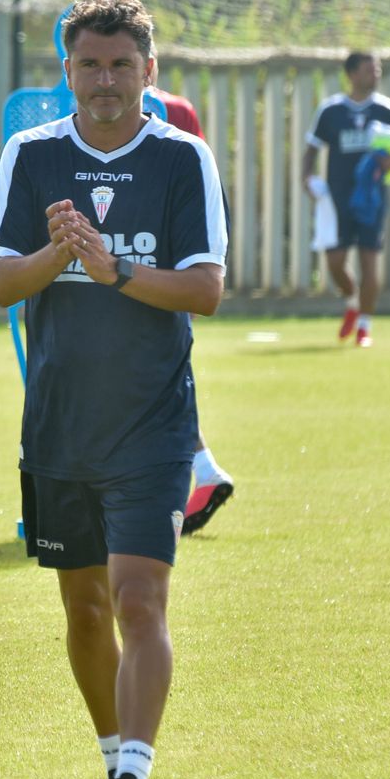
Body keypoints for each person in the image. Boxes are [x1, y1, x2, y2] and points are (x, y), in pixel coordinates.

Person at [0, 0, 228, 779]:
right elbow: (0, 283)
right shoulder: (31, 154)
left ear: (149, 72)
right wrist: (62, 251)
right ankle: (110, 754)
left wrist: (113, 269)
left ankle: (135, 773)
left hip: (152, 425)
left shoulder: (182, 158)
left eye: (123, 64)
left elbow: (204, 290)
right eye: (89, 64)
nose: (105, 80)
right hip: (57, 423)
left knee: (138, 601)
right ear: (67, 73)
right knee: (83, 609)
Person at [145, 78, 235, 536]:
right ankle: (202, 469)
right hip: (180, 264)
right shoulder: (180, 108)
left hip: (140, 269)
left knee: (153, 379)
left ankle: (198, 471)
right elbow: (204, 188)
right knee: (168, 369)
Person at [301, 52, 390, 348]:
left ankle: (364, 327)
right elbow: (311, 149)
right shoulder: (331, 110)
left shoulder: (388, 111)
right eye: (368, 69)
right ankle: (352, 301)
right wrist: (307, 178)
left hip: (372, 200)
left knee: (369, 262)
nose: (375, 74)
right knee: (335, 261)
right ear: (351, 74)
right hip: (337, 199)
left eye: (378, 69)